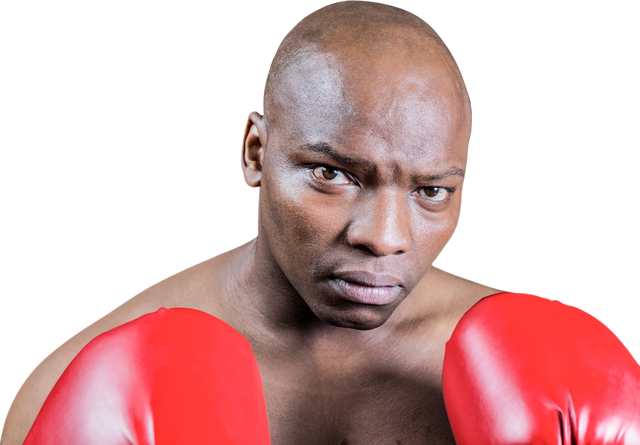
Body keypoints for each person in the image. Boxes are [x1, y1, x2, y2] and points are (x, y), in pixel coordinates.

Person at [2, 1, 638, 444]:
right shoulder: (83, 383)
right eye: (334, 175)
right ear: (255, 153)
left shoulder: (555, 372)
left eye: (431, 191)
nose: (385, 237)